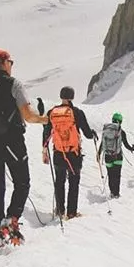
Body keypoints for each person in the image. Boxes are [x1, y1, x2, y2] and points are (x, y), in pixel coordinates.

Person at [0, 49, 48, 247]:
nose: (12, 65)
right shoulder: (13, 84)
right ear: (4, 62)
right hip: (12, 141)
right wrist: (45, 119)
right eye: (11, 61)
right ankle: (12, 219)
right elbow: (28, 115)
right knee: (22, 182)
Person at [42, 86, 96, 219]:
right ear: (72, 96)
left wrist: (44, 150)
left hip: (58, 152)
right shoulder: (77, 112)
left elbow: (46, 133)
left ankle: (60, 210)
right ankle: (71, 212)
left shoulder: (52, 112)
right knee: (73, 182)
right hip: (74, 154)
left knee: (59, 182)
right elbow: (87, 134)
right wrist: (93, 133)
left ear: (61, 96)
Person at [97, 112, 134, 198]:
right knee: (117, 175)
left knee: (110, 175)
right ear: (120, 121)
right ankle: (116, 193)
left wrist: (98, 154)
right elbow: (126, 145)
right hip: (118, 156)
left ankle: (112, 192)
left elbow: (102, 143)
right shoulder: (121, 131)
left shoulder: (106, 131)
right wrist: (132, 148)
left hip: (107, 156)